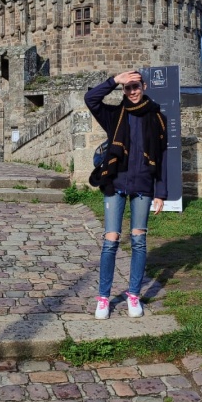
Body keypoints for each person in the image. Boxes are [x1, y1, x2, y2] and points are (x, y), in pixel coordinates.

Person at [85, 70, 168, 319]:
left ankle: (133, 295)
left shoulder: (157, 118)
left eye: (136, 86)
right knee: (111, 241)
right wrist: (113, 81)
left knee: (139, 241)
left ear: (144, 86)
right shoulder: (113, 115)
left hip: (143, 185)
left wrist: (161, 193)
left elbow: (163, 158)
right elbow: (91, 99)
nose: (132, 92)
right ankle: (103, 298)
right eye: (127, 87)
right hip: (115, 183)